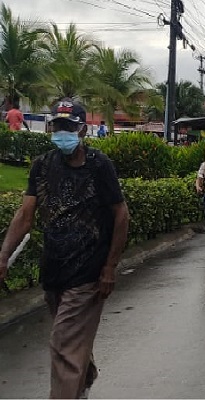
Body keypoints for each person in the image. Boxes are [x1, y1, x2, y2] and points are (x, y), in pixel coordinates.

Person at [0, 98, 130, 398]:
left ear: (82, 130)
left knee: (62, 342)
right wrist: (4, 254)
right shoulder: (42, 166)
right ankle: (82, 377)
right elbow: (25, 214)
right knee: (71, 343)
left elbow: (121, 215)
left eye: (68, 127)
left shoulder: (100, 166)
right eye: (57, 126)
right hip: (54, 270)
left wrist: (110, 267)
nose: (62, 133)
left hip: (88, 274)